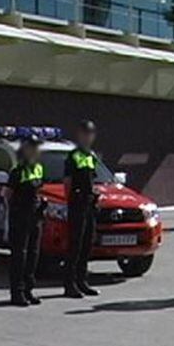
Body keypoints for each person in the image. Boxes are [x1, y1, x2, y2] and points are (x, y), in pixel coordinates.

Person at [6, 134, 46, 307]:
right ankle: (17, 293)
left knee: (33, 254)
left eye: (37, 147)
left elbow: (39, 190)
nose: (36, 150)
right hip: (20, 217)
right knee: (19, 256)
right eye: (33, 147)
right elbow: (8, 195)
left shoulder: (38, 168)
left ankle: (29, 290)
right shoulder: (17, 171)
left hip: (35, 217)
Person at [63, 120, 101, 298]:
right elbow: (68, 183)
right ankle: (69, 284)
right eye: (85, 133)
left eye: (91, 134)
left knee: (87, 244)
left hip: (89, 204)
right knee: (75, 245)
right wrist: (71, 202)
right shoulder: (74, 156)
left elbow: (93, 180)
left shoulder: (91, 156)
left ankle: (82, 281)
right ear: (79, 135)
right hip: (77, 204)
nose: (88, 137)